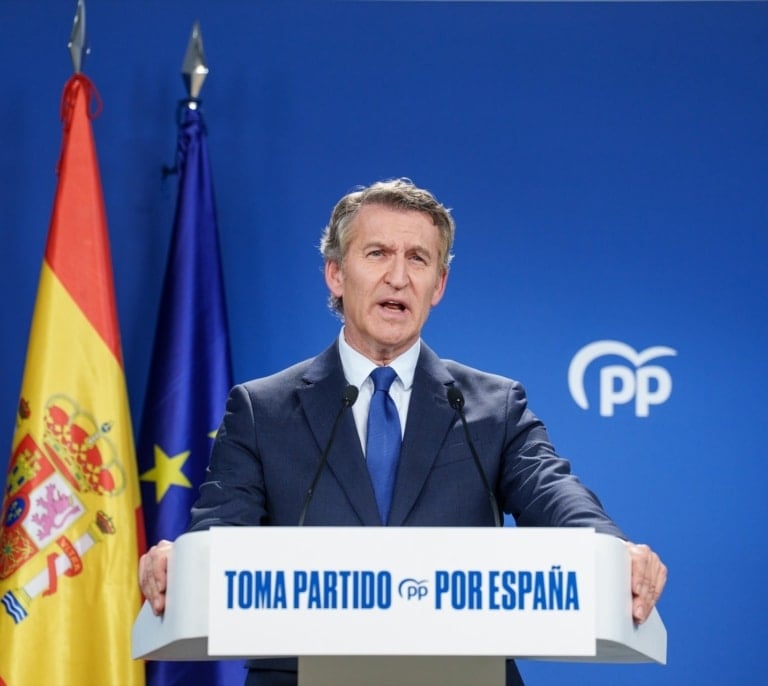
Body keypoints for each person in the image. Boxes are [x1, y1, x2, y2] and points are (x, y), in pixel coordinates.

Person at [139, 178, 667, 686]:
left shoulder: (493, 406)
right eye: (377, 254)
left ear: (439, 285)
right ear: (335, 274)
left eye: (418, 258)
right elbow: (219, 530)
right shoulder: (262, 409)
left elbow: (553, 493)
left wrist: (612, 549)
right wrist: (183, 563)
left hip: (462, 676)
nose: (398, 277)